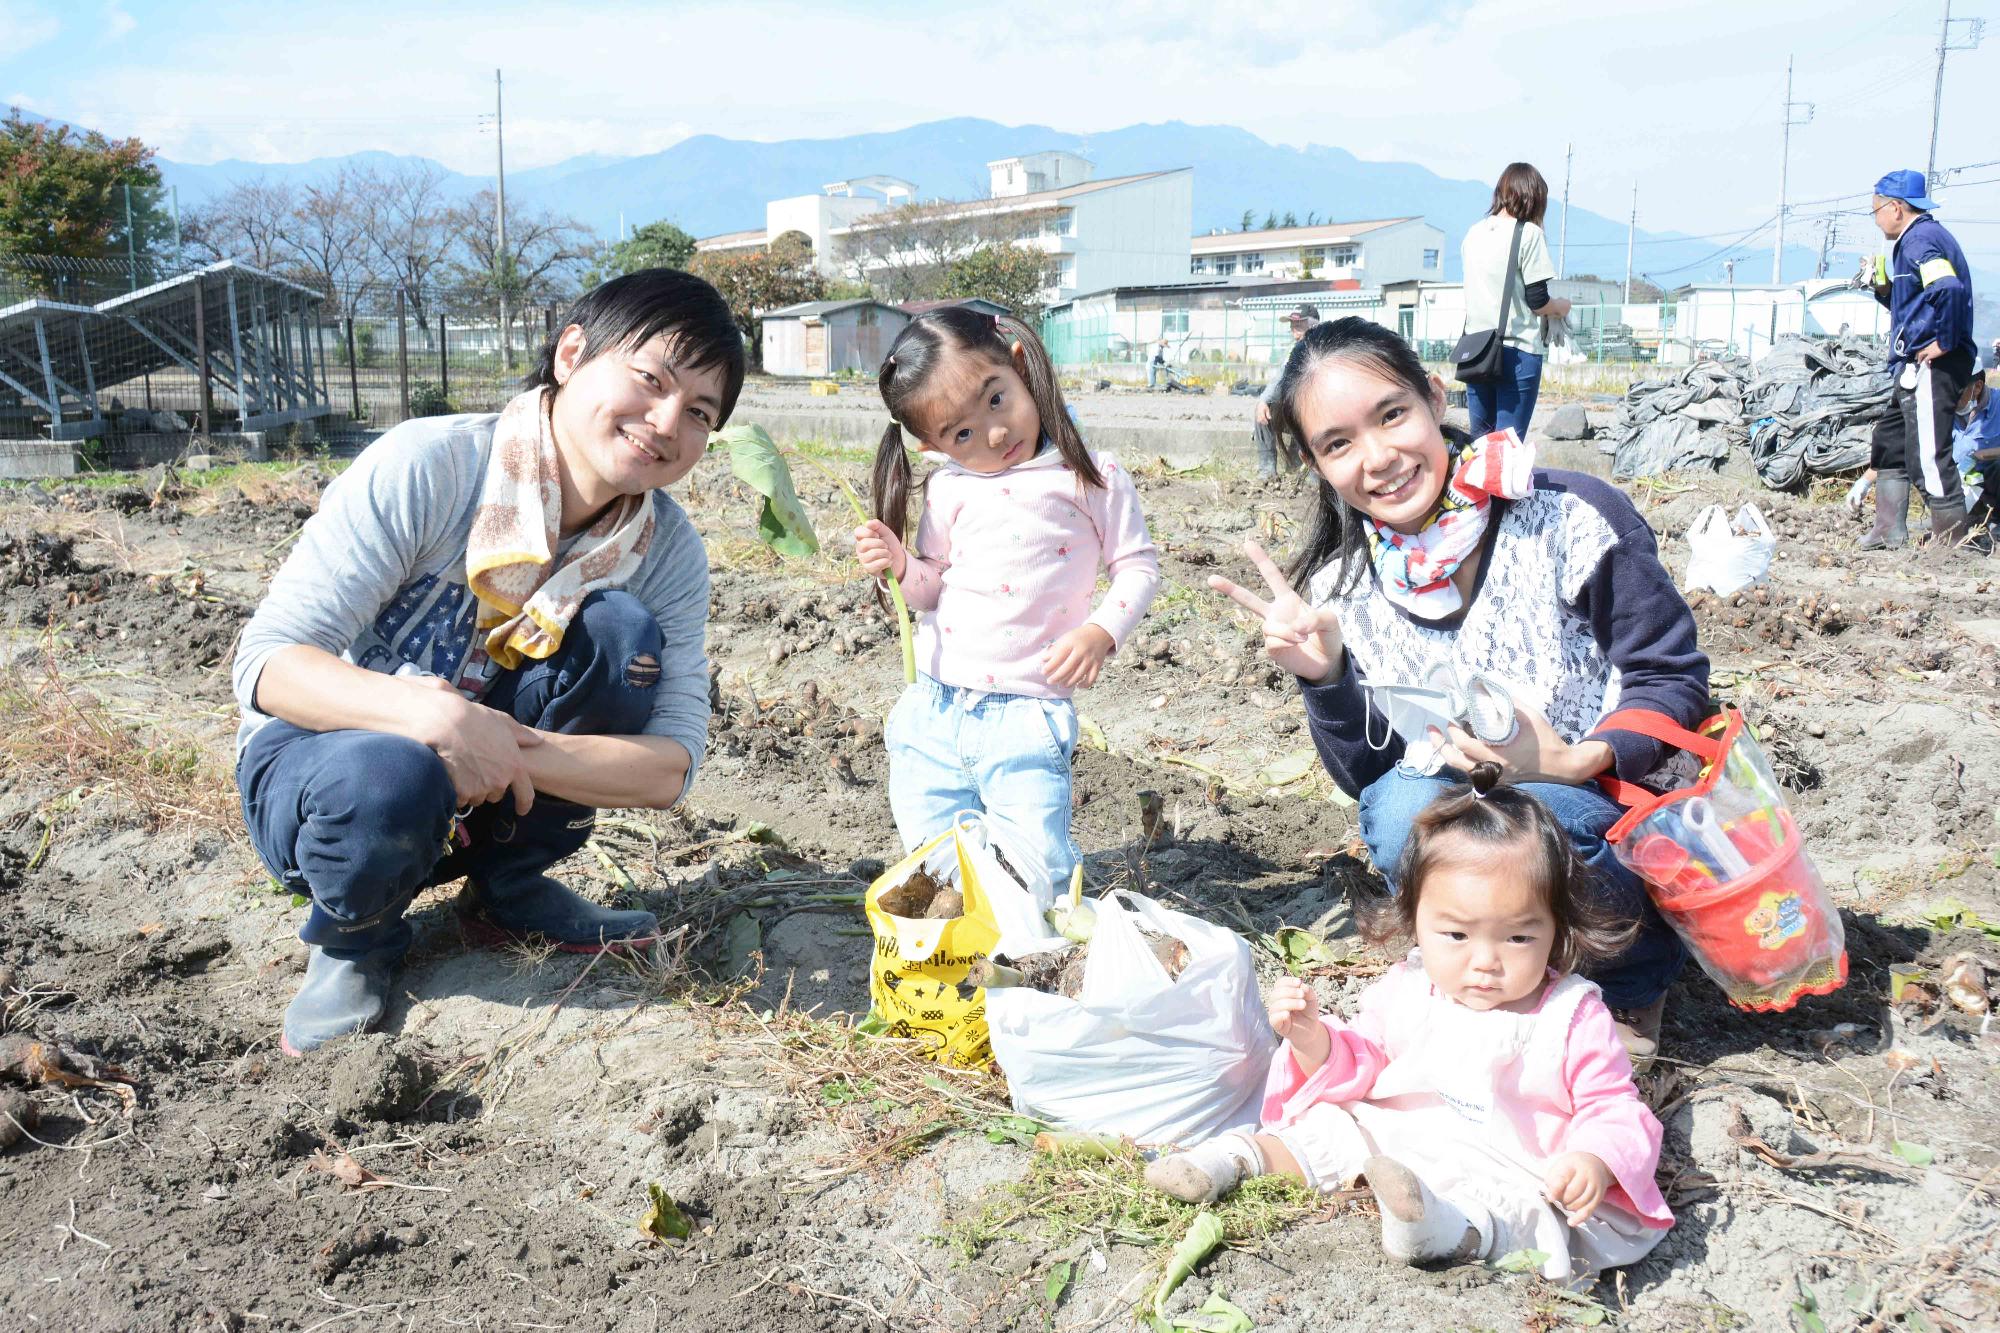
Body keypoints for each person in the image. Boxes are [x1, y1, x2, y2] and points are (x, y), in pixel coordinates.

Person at [232, 269, 742, 1056]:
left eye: (700, 411)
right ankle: (352, 932)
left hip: (494, 774)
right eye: (650, 379)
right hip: (323, 763)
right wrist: (434, 718)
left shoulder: (664, 547)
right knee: (392, 774)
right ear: (572, 353)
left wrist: (493, 739)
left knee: (617, 632)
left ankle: (506, 888)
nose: (667, 421)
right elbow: (267, 665)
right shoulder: (432, 466)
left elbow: (670, 766)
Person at [1207, 318, 1710, 1066]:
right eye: (1338, 444)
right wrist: (1327, 680)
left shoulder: (1569, 516)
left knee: (1548, 816)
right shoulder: (1340, 587)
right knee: (1405, 808)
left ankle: (1628, 984)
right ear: (1317, 463)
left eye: (1392, 415)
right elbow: (1371, 786)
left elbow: (1671, 679)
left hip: (1606, 808)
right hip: (1474, 821)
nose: (1378, 458)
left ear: (1434, 396)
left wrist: (1573, 760)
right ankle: (1491, 981)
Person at [1144, 778, 1672, 1281]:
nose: (1484, 962)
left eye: (1517, 938)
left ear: (1557, 927)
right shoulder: (1410, 988)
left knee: (1522, 1211)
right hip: (1401, 1135)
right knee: (1332, 1128)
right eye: (1457, 934)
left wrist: (1594, 1158)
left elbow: (1614, 1107)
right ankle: (1235, 1158)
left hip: (1508, 1162)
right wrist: (1312, 1039)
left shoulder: (1572, 1016)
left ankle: (1443, 1231)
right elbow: (1367, 1057)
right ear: (1414, 919)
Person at [852, 309, 1160, 895]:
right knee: (935, 861)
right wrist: (900, 565)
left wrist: (1101, 632)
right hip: (934, 707)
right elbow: (932, 589)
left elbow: (1137, 566)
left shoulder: (1089, 475)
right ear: (929, 444)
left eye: (997, 401)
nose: (994, 435)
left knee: (1035, 863)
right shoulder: (949, 487)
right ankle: (967, 957)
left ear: (1019, 367)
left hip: (1026, 711)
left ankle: (1037, 951)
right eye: (961, 434)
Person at [1857, 169, 1979, 552]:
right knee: (1891, 441)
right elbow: (1920, 300)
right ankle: (1888, 528)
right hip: (1910, 362)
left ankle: (1953, 539)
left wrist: (1945, 340)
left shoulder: (1920, 241)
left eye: (1876, 210)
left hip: (1932, 363)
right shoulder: (1917, 241)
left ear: (1896, 208)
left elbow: (1948, 289)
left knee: (1928, 452)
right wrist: (1884, 289)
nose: (1876, 219)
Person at [1460, 163, 1570, 437]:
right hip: (1516, 353)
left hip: (1475, 349)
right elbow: (1538, 301)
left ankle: (1471, 482)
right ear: (1533, 198)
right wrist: (1561, 307)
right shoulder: (1529, 234)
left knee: (1480, 442)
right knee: (1506, 446)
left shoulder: (1473, 233)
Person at [1254, 304, 1319, 476]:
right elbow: (1281, 378)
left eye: (1298, 323)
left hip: (1318, 417)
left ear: (1314, 324)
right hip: (1296, 413)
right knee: (1263, 411)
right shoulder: (1294, 350)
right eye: (1291, 324)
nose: (1293, 328)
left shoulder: (1321, 347)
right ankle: (1267, 471)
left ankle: (1314, 477)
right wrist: (1264, 400)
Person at [1953, 366, 2000, 542]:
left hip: (1991, 482)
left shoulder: (1998, 404)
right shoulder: (1942, 409)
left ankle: (1996, 521)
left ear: (1977, 387)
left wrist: (1980, 455)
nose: (1950, 398)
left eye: (1957, 392)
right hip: (1960, 486)